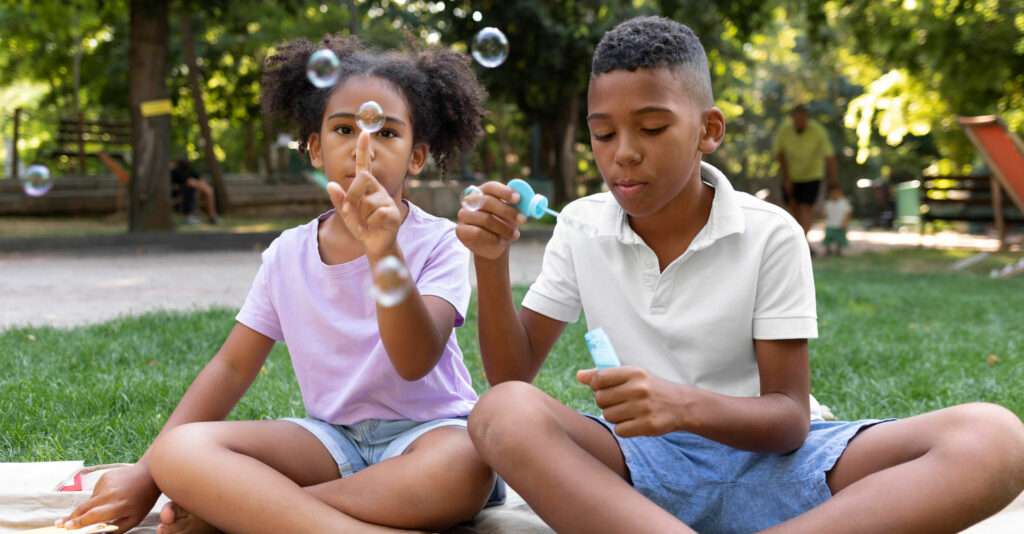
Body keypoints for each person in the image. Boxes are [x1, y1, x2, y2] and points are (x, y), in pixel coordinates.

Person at [456, 16, 1024, 534]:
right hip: (635, 465)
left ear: (709, 129)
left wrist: (682, 406)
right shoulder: (580, 225)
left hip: (778, 466)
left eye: (652, 128)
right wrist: (490, 259)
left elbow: (787, 421)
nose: (623, 154)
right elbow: (510, 377)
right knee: (499, 413)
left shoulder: (770, 232)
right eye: (603, 134)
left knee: (995, 439)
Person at [60, 33, 498, 534]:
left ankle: (256, 511)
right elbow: (230, 367)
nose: (364, 147)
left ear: (417, 158)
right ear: (314, 149)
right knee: (181, 451)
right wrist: (146, 473)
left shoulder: (440, 241)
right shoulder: (287, 253)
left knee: (465, 468)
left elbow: (415, 358)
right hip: (331, 441)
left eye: (387, 134)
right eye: (343, 128)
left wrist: (383, 250)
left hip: (432, 434)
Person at [774, 103, 838, 245]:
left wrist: (833, 181)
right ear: (792, 118)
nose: (800, 122)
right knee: (794, 206)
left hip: (812, 175)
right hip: (792, 176)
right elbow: (780, 154)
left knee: (807, 206)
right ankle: (798, 236)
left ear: (807, 117)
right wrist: (786, 179)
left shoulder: (817, 131)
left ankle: (802, 240)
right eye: (797, 119)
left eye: (802, 118)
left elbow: (830, 156)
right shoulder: (784, 131)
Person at [170, 158, 220, 225]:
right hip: (181, 195)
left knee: (207, 190)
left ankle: (212, 216)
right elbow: (188, 183)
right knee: (198, 189)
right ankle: (208, 216)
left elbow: (201, 180)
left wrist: (198, 184)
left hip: (192, 194)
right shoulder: (175, 173)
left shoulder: (190, 172)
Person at [821, 186, 852, 256]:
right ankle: (828, 250)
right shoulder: (827, 203)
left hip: (840, 225)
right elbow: (825, 213)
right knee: (828, 238)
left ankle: (839, 251)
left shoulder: (844, 203)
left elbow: (847, 213)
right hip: (830, 224)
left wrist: (845, 223)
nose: (834, 195)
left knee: (840, 239)